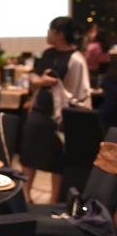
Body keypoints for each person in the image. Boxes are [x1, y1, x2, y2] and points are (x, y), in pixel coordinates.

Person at [21, 17, 91, 203]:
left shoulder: (76, 59)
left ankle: (53, 202)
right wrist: (41, 82)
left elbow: (81, 92)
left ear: (59, 33)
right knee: (28, 156)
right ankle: (25, 198)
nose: (47, 34)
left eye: (50, 30)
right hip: (39, 111)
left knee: (57, 162)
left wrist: (58, 88)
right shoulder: (47, 53)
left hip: (60, 117)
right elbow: (34, 78)